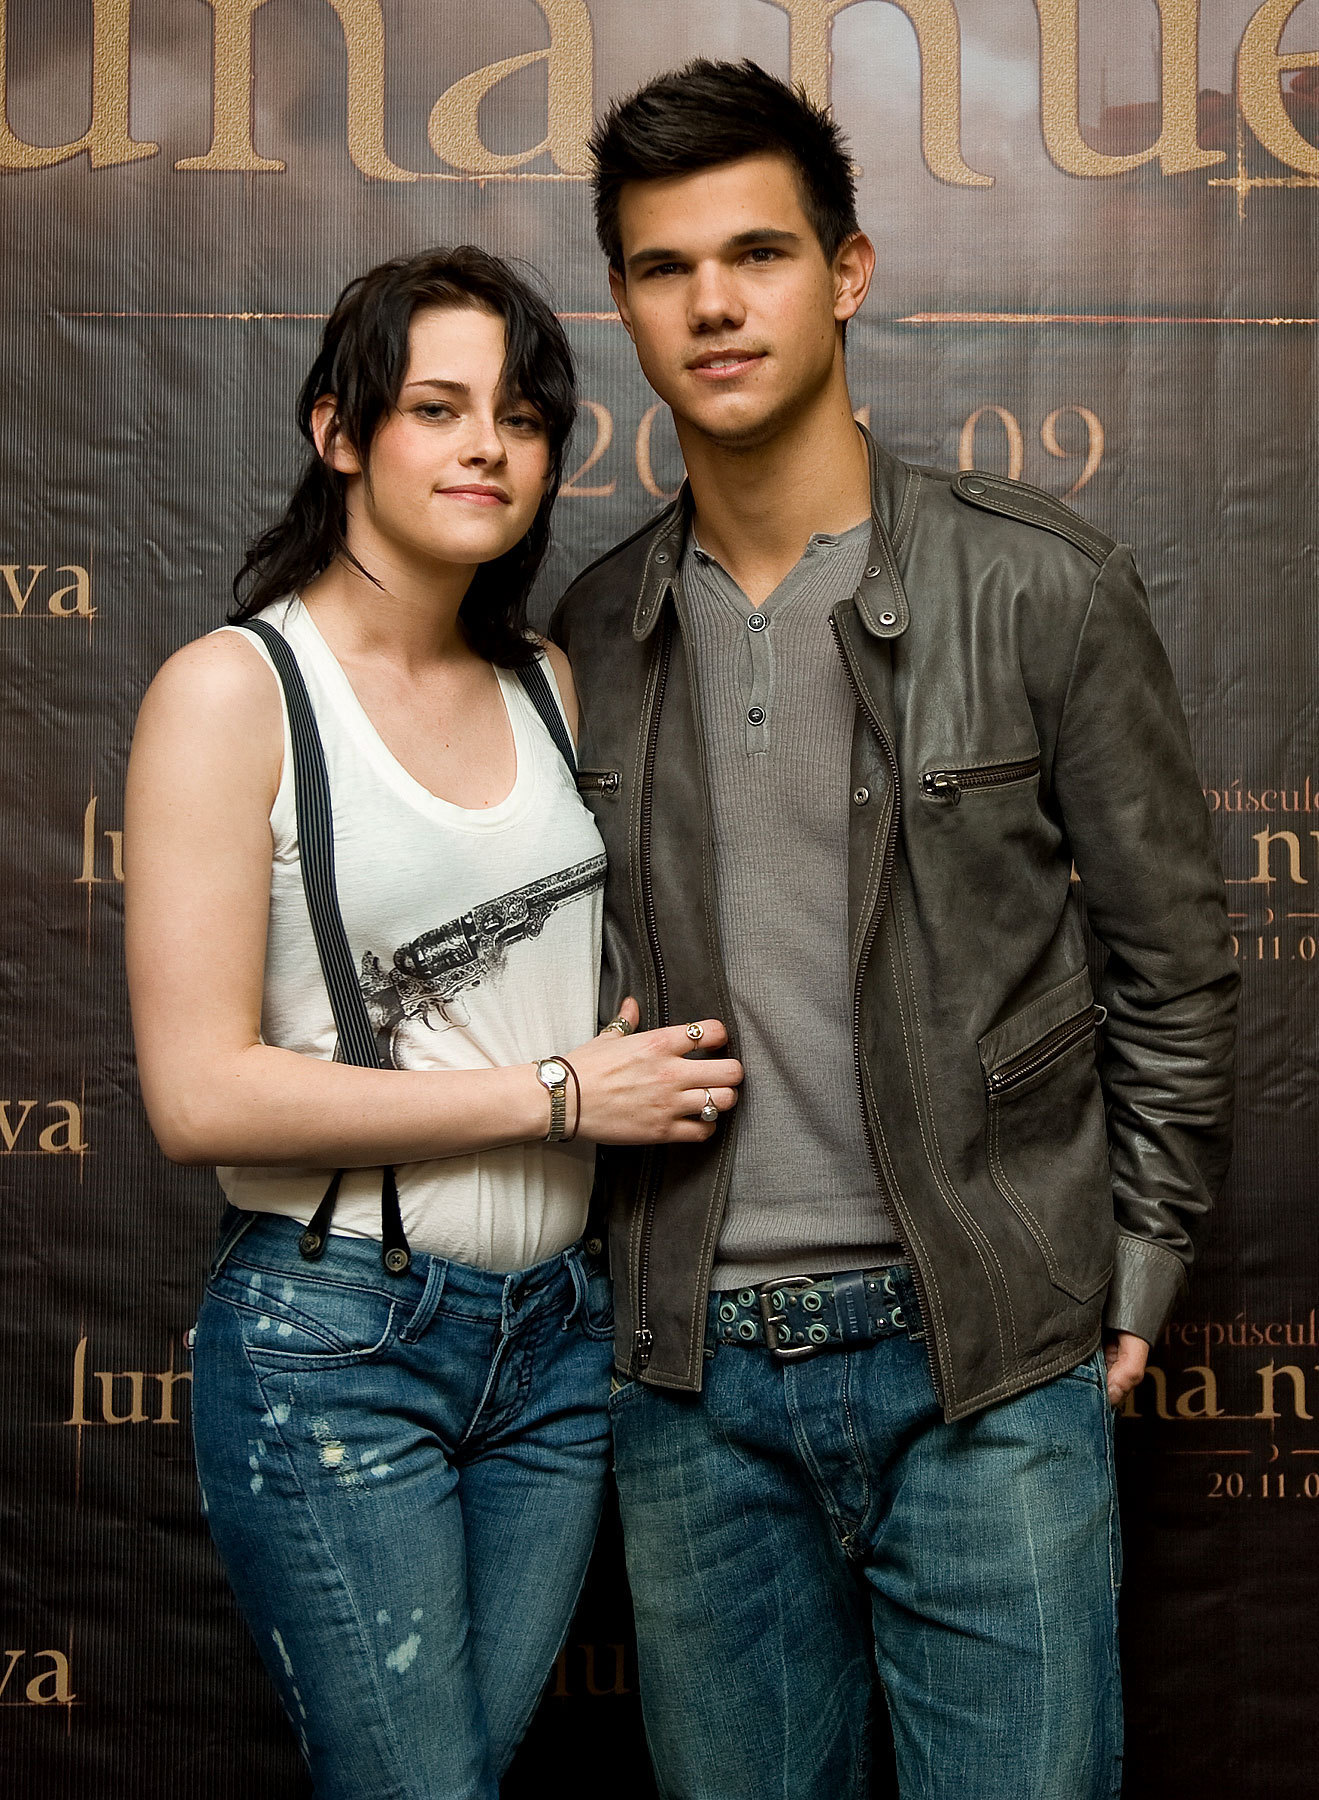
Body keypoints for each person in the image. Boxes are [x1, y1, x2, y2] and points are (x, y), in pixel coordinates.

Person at [552, 61, 1238, 1800]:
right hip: (694, 1392)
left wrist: (1138, 1272)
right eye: (663, 267)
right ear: (623, 304)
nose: (713, 303)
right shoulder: (595, 632)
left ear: (848, 272)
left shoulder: (1041, 585)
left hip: (988, 1364)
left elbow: (1173, 970)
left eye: (759, 253)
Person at [122, 245, 741, 1800]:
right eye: (439, 409)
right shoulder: (234, 691)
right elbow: (201, 1097)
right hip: (339, 1336)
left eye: (524, 418)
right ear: (339, 432)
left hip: (558, 1342)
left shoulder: (548, 685)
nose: (489, 448)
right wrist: (558, 1095)